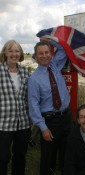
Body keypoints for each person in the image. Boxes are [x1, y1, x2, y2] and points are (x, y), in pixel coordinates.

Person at [27, 41, 73, 175]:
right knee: (48, 158)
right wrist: (43, 127)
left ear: (51, 54)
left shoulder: (56, 66)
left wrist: (51, 38)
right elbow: (33, 105)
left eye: (47, 52)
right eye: (40, 53)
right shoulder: (34, 79)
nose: (44, 56)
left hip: (66, 117)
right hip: (50, 122)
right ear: (35, 56)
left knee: (68, 152)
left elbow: (63, 49)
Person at [0, 40, 31, 175]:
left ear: (21, 53)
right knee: (2, 157)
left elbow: (30, 96)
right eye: (11, 51)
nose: (14, 54)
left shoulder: (25, 72)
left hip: (23, 123)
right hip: (3, 124)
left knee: (20, 156)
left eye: (17, 51)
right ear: (5, 53)